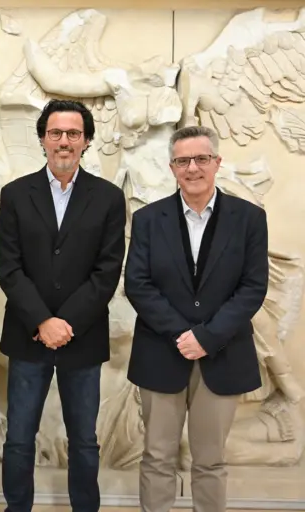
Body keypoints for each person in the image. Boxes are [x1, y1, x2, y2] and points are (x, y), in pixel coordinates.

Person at [124, 125, 268, 512]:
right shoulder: (148, 218)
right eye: (183, 160)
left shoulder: (250, 218)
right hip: (161, 352)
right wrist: (182, 334)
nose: (192, 168)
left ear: (217, 162)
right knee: (157, 457)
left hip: (223, 354)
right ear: (172, 167)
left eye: (201, 158)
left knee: (210, 460)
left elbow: (253, 287)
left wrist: (207, 337)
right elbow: (137, 284)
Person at [0, 99, 126, 512]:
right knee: (19, 438)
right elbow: (9, 268)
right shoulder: (16, 195)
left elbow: (107, 271)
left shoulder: (108, 197)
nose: (64, 141)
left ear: (86, 141)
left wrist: (65, 321)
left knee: (84, 440)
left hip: (81, 336)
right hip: (28, 334)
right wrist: (42, 320)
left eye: (73, 133)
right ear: (42, 139)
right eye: (55, 133)